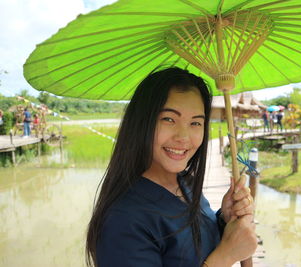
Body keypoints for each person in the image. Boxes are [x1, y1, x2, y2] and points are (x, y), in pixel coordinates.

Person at [86, 67, 257, 267]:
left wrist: (225, 221)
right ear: (142, 122)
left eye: (195, 123)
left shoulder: (185, 182)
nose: (183, 137)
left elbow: (195, 245)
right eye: (169, 119)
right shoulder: (123, 220)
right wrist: (225, 257)